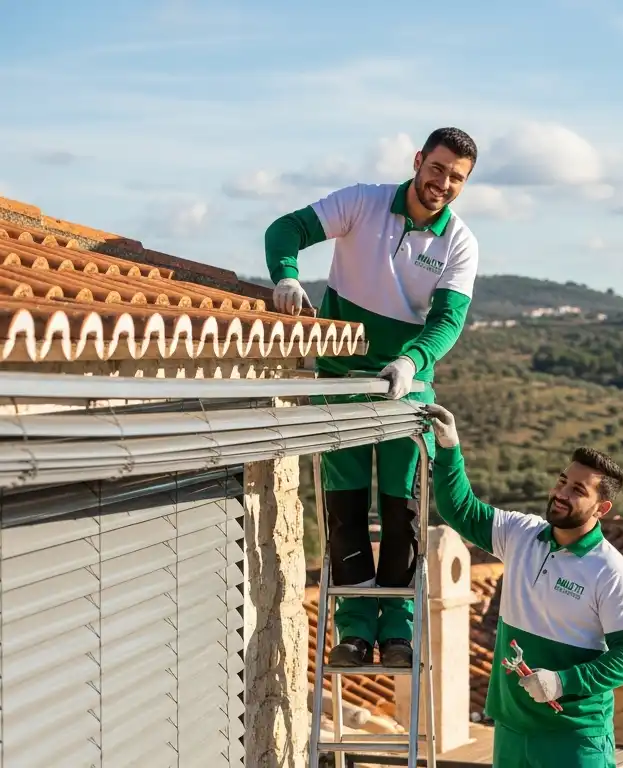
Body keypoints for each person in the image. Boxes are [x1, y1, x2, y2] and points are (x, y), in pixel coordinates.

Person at [263, 127, 481, 668]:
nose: (443, 183)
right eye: (437, 168)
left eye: (456, 177)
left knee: (402, 512)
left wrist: (412, 360)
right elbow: (285, 229)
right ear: (418, 161)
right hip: (342, 383)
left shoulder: (459, 242)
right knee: (346, 511)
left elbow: (448, 321)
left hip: (405, 388)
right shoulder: (362, 202)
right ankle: (356, 629)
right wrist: (286, 278)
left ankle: (398, 632)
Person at [421, 404, 623, 768]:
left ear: (601, 509)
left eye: (577, 490)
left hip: (573, 738)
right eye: (562, 481)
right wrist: (449, 448)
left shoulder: (612, 572)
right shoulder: (520, 533)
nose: (561, 493)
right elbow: (459, 509)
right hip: (510, 728)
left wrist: (563, 682)